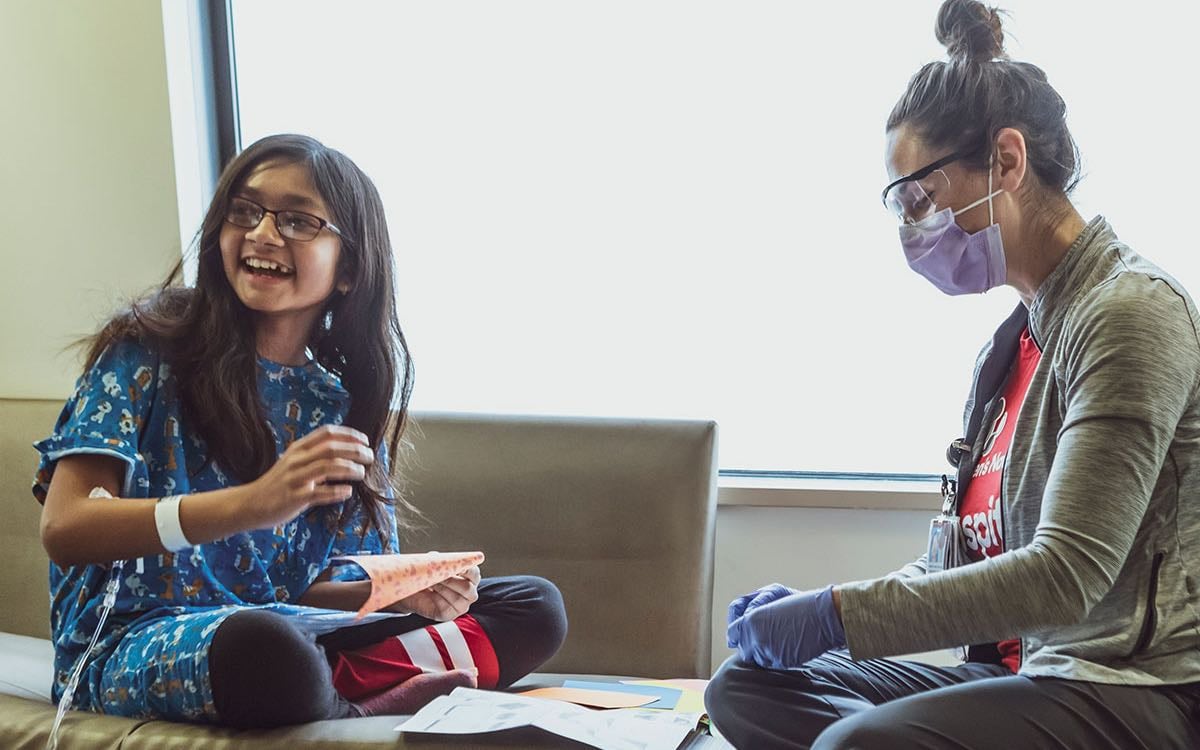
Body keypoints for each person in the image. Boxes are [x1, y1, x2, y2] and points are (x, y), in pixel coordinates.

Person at [705, 1, 1200, 747]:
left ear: (1006, 160)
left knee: (856, 743)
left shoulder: (1128, 313)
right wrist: (818, 612)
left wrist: (836, 614)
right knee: (744, 688)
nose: (913, 230)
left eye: (921, 198)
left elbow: (1064, 575)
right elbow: (968, 561)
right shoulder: (1012, 346)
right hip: (1028, 670)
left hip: (1132, 686)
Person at [34, 133, 567, 729]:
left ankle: (344, 680)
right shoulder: (145, 353)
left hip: (285, 626)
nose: (262, 233)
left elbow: (305, 590)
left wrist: (407, 592)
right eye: (245, 211)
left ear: (349, 270)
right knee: (268, 652)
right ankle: (359, 694)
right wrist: (252, 504)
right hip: (134, 642)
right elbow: (65, 527)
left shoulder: (336, 404)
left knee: (533, 607)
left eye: (297, 221)